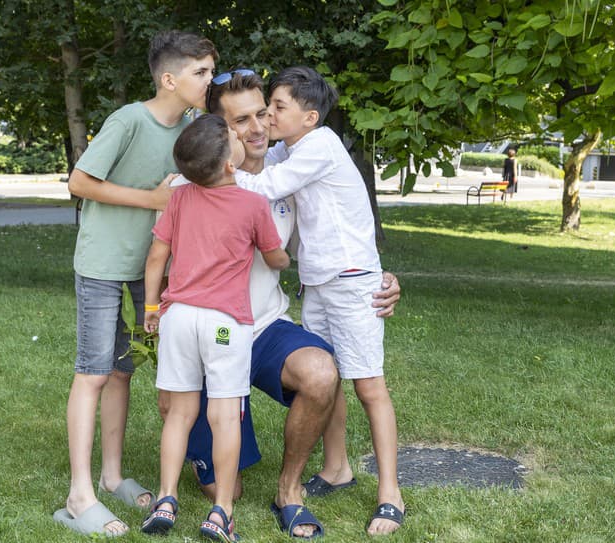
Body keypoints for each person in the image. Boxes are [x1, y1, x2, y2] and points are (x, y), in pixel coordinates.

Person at [176, 70, 401, 539]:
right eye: (243, 120)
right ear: (218, 129)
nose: (259, 127)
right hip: (209, 339)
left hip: (261, 328)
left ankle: (291, 489)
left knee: (323, 371)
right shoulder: (186, 186)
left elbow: (336, 221)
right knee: (227, 488)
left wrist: (377, 276)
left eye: (266, 112)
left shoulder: (290, 172)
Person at [52, 30, 217, 538]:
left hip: (153, 269)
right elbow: (79, 182)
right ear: (170, 79)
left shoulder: (192, 128)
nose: (210, 80)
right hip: (103, 263)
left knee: (124, 372)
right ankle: (80, 496)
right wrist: (149, 201)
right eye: (201, 73)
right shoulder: (128, 119)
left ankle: (112, 475)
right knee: (94, 372)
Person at [140, 114, 289, 541]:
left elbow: (156, 257)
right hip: (226, 322)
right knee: (225, 417)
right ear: (229, 165)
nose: (241, 135)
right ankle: (221, 512)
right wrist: (283, 260)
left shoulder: (181, 197)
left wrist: (152, 306)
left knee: (179, 415)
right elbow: (274, 255)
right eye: (233, 136)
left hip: (178, 316)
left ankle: (166, 498)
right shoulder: (252, 203)